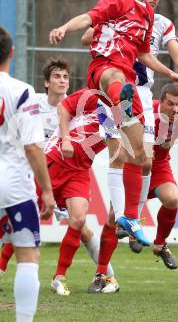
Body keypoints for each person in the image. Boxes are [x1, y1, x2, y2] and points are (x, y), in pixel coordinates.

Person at [49, 0, 178, 245]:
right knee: (114, 77)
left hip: (128, 83)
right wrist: (64, 27)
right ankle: (119, 103)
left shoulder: (148, 15)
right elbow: (88, 19)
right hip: (103, 72)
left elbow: (144, 55)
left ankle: (130, 217)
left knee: (138, 155)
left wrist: (171, 71)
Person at [81, 0, 178, 251]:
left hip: (143, 95)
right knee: (119, 154)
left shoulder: (161, 23)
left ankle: (132, 218)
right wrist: (104, 28)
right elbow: (86, 38)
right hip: (115, 87)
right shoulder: (121, 14)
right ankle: (122, 224)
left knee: (145, 159)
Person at [0, 59, 116, 289]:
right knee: (20, 219)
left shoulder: (95, 109)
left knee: (80, 224)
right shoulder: (35, 102)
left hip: (74, 170)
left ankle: (104, 275)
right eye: (57, 77)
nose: (62, 81)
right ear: (46, 82)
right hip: (42, 168)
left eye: (65, 77)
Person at [87, 83, 178, 292]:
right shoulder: (147, 111)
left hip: (160, 167)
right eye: (170, 104)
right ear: (160, 101)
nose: (175, 109)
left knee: (172, 198)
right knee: (113, 217)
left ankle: (160, 244)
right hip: (135, 166)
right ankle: (101, 273)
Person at [0, 27, 55, 322]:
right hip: (13, 186)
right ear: (11, 52)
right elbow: (33, 146)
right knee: (27, 256)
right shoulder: (23, 92)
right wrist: (46, 189)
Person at [42, 88, 118, 295]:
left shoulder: (124, 114)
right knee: (23, 215)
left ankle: (59, 277)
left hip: (79, 171)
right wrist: (66, 139)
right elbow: (63, 108)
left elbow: (121, 149)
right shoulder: (93, 96)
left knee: (78, 220)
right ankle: (3, 265)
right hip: (55, 160)